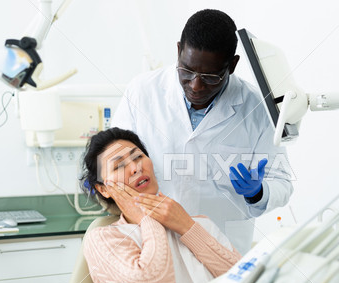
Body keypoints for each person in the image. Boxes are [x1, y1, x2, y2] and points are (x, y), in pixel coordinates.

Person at [111, 9, 293, 254]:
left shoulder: (257, 108)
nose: (195, 85)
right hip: (155, 243)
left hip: (221, 245)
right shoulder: (142, 92)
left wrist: (257, 192)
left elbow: (282, 182)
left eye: (210, 77)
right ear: (178, 51)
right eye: (186, 71)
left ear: (233, 65)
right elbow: (113, 163)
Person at [81, 127, 241, 283]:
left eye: (138, 157)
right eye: (119, 165)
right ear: (103, 189)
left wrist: (187, 227)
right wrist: (147, 219)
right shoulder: (104, 239)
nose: (135, 168)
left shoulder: (200, 225)